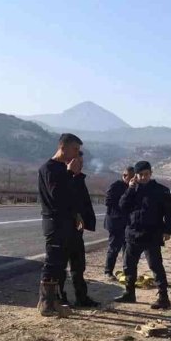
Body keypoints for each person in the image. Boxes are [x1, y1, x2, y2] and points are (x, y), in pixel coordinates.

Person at [115, 160, 171, 309]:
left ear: (151, 173)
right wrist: (130, 189)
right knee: (129, 266)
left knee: (155, 266)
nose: (143, 177)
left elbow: (169, 213)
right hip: (133, 233)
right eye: (140, 175)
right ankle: (129, 293)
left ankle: (163, 297)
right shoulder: (132, 190)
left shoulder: (161, 190)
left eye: (146, 174)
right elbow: (122, 206)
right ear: (135, 175)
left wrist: (168, 230)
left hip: (152, 234)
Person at [37, 133, 84, 316]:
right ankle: (45, 303)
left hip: (66, 222)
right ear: (63, 148)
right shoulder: (49, 168)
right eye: (75, 149)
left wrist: (76, 214)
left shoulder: (63, 169)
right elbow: (56, 195)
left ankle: (54, 300)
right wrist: (70, 173)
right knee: (52, 262)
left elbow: (69, 197)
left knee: (60, 264)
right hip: (53, 222)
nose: (77, 154)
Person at [58, 150, 99, 308]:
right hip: (63, 230)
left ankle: (81, 297)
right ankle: (60, 297)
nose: (80, 166)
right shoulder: (62, 179)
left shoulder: (79, 180)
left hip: (76, 231)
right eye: (78, 163)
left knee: (78, 266)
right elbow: (61, 202)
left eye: (81, 163)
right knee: (60, 267)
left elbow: (83, 203)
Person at [104, 166, 135, 280]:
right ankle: (108, 271)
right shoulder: (116, 186)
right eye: (130, 177)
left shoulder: (133, 188)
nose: (132, 180)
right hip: (115, 222)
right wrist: (121, 209)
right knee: (114, 248)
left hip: (127, 223)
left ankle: (127, 272)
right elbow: (108, 202)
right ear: (124, 176)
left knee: (127, 249)